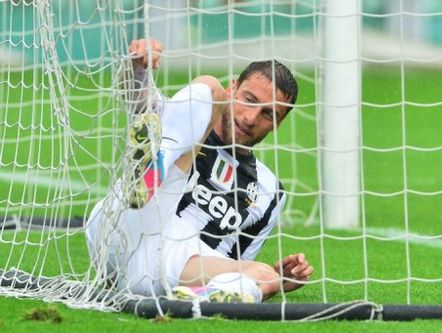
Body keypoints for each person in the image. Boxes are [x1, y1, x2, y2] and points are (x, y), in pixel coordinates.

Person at [86, 38, 313, 303]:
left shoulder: (268, 192)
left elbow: (233, 262)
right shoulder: (186, 114)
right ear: (234, 89)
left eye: (268, 114)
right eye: (249, 100)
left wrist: (270, 278)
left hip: (166, 267)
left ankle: (201, 297)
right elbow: (136, 97)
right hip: (126, 223)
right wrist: (137, 66)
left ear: (278, 124)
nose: (251, 118)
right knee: (208, 88)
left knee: (261, 273)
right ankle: (153, 166)